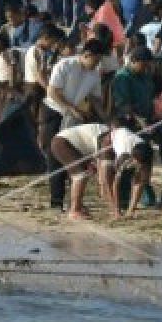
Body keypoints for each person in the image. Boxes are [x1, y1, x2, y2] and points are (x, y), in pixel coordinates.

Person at [43, 39, 106, 209]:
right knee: (55, 157)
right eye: (96, 60)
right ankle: (56, 202)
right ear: (86, 55)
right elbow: (53, 92)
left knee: (74, 157)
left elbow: (96, 99)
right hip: (54, 112)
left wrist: (106, 119)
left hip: (73, 117)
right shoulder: (65, 65)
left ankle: (75, 202)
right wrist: (71, 108)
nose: (97, 64)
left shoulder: (94, 74)